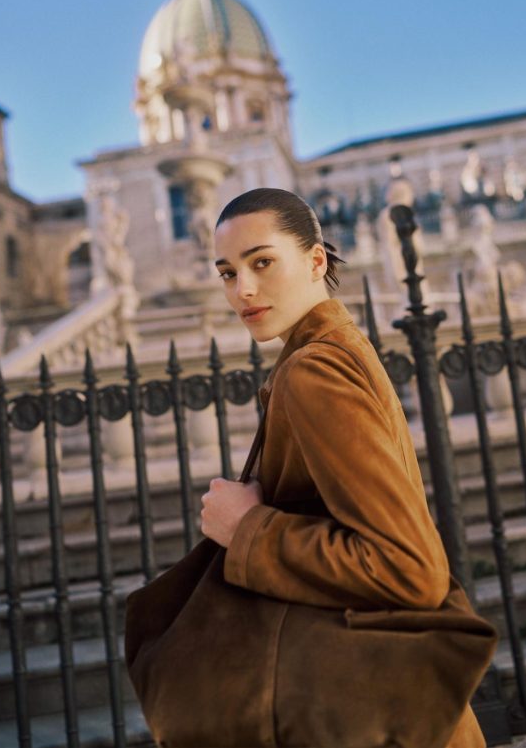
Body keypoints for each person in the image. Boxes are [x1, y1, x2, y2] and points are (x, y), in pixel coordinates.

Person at [202, 187, 489, 747]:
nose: (243, 290)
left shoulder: (314, 371)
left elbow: (409, 566)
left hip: (380, 711)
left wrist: (246, 529)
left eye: (262, 262)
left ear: (316, 261)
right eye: (228, 273)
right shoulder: (340, 347)